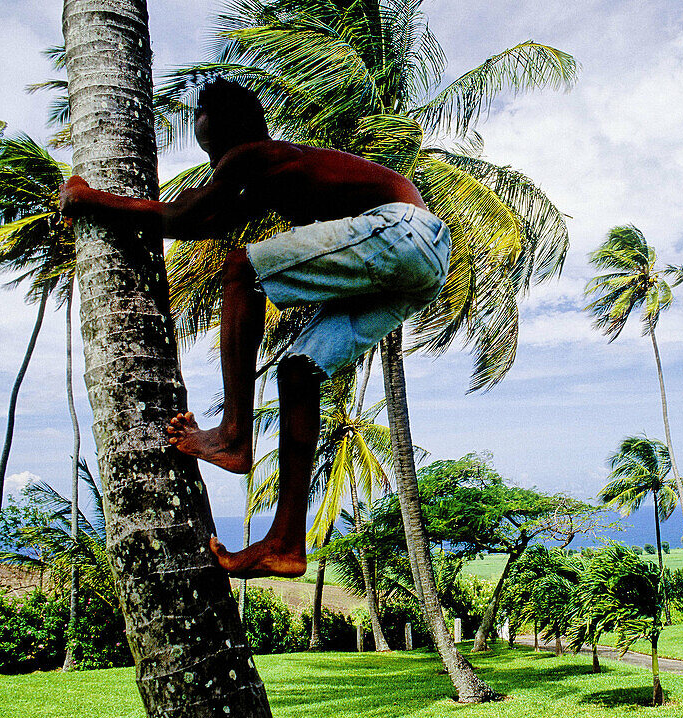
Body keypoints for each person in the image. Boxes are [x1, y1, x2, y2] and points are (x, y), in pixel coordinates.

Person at [59, 78, 449, 578]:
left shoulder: (249, 154)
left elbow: (187, 214)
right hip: (420, 266)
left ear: (221, 121)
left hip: (402, 231)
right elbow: (208, 221)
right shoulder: (266, 171)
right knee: (299, 369)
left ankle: (234, 433)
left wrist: (91, 199)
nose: (192, 122)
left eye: (196, 112)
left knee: (243, 269)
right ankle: (286, 544)